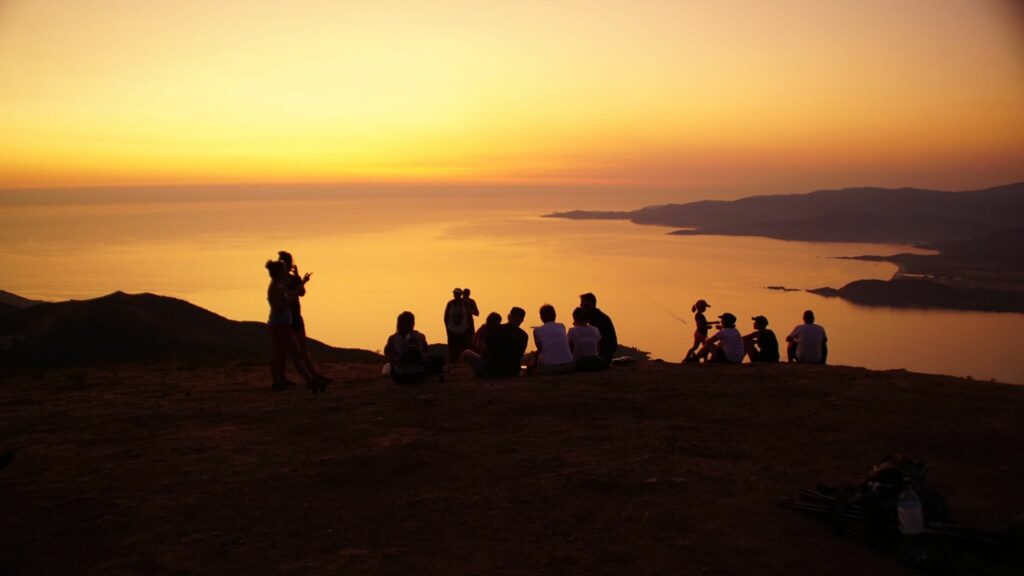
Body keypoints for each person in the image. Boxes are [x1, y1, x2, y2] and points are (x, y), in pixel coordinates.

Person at [265, 260, 325, 392]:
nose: (285, 272)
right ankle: (310, 381)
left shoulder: (279, 285)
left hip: (281, 325)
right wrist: (285, 302)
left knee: (281, 354)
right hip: (280, 326)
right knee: (293, 354)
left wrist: (302, 282)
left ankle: (281, 382)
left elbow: (293, 295)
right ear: (279, 272)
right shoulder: (276, 287)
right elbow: (278, 305)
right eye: (283, 270)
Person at [277, 250, 330, 384]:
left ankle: (313, 377)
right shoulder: (280, 280)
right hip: (287, 319)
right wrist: (302, 281)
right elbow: (292, 295)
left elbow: (301, 293)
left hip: (295, 317)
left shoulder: (291, 278)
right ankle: (310, 378)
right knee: (296, 353)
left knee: (301, 352)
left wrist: (299, 278)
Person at [462, 307, 529, 379]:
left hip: (492, 371)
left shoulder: (496, 329)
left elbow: (487, 350)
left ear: (509, 317)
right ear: (522, 320)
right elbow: (519, 355)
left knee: (467, 352)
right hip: (512, 372)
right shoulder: (523, 335)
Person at [384, 311, 443, 384]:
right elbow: (426, 353)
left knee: (389, 365)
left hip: (399, 378)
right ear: (413, 323)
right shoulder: (421, 336)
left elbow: (387, 353)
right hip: (419, 376)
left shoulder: (393, 338)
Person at [530, 304, 575, 375]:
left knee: (537, 356)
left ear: (541, 317)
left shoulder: (537, 330)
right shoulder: (562, 326)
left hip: (549, 367)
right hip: (568, 365)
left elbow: (540, 349)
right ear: (555, 315)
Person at [579, 292, 617, 367]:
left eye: (582, 304)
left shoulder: (595, 319)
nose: (581, 307)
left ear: (588, 304)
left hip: (602, 355)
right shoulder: (598, 316)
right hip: (605, 354)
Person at [568, 306, 604, 372]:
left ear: (575, 318)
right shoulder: (595, 329)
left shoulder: (573, 331)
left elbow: (570, 349)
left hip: (580, 362)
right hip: (595, 361)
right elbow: (599, 347)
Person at [444, 288, 471, 362]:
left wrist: (468, 326)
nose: (455, 295)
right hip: (452, 328)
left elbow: (469, 316)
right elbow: (446, 316)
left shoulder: (465, 303)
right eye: (455, 293)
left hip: (463, 328)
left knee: (462, 346)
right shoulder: (450, 303)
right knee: (453, 346)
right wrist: (447, 327)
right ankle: (453, 360)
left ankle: (461, 361)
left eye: (457, 294)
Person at [683, 299, 714, 363]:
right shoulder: (699, 315)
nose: (705, 309)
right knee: (706, 347)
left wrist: (714, 322)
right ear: (701, 307)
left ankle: (686, 359)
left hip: (698, 333)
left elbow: (705, 322)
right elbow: (699, 325)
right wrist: (707, 327)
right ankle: (705, 360)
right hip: (701, 334)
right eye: (705, 307)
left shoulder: (700, 315)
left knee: (695, 347)